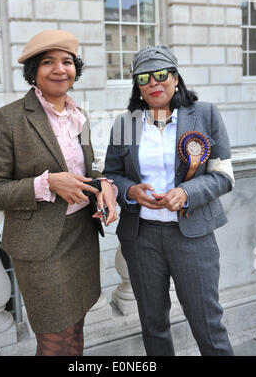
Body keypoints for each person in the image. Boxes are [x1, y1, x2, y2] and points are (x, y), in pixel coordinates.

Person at [0, 29, 117, 356]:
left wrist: (104, 185)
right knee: (55, 340)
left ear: (76, 69)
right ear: (33, 72)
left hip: (80, 237)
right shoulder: (7, 119)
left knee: (77, 329)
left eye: (67, 62)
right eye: (48, 62)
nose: (60, 69)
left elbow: (87, 170)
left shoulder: (78, 117)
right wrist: (48, 183)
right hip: (40, 247)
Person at [104, 44, 235, 356]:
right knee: (153, 324)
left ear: (176, 78)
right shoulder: (125, 124)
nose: (154, 82)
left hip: (192, 236)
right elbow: (112, 175)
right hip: (141, 238)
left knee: (207, 323)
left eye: (161, 74)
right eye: (144, 78)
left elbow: (223, 175)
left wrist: (186, 193)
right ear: (137, 86)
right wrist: (130, 192)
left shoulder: (205, 114)